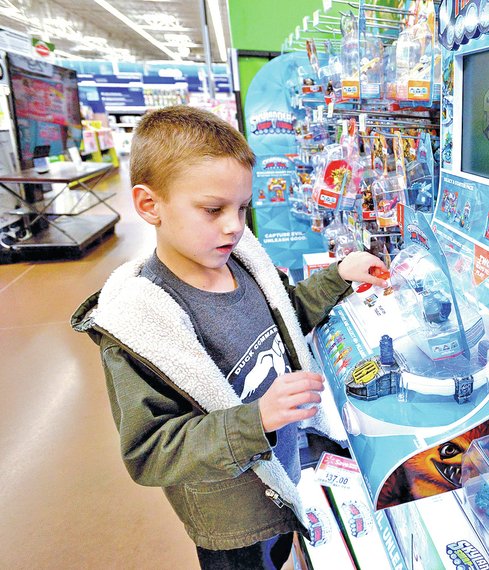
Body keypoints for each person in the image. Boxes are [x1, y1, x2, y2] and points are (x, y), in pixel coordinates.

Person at [71, 106, 388, 569]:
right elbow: (150, 449)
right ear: (149, 205)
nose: (234, 226)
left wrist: (340, 275)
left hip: (280, 480)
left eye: (242, 208)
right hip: (232, 521)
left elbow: (287, 314)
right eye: (213, 209)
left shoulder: (243, 266)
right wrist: (256, 419)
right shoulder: (140, 326)